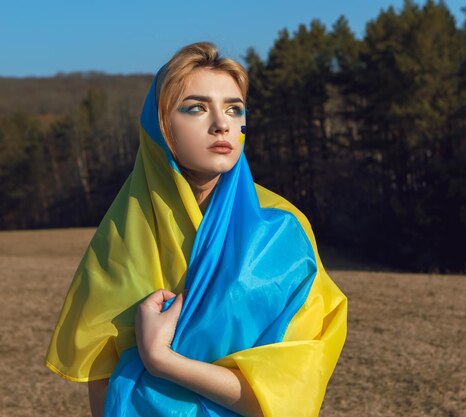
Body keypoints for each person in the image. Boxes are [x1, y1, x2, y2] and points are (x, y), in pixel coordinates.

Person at [45, 42, 348, 417]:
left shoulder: (280, 229)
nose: (222, 123)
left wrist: (161, 359)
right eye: (196, 108)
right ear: (160, 126)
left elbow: (288, 398)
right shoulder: (123, 236)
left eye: (234, 109)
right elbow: (104, 390)